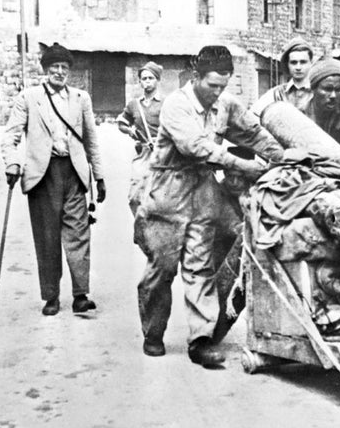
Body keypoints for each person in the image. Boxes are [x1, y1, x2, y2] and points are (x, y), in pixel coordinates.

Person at [134, 45, 284, 366]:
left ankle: (200, 340)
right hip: (168, 191)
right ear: (196, 76)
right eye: (212, 85)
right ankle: (153, 332)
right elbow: (196, 146)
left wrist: (285, 157)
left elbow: (254, 133)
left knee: (199, 264)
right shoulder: (176, 105)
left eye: (223, 86)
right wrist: (245, 167)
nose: (217, 93)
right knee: (161, 269)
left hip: (202, 189)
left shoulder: (225, 104)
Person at [1, 42, 106, 316]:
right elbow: (10, 136)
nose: (59, 72)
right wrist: (12, 163)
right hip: (42, 176)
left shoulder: (81, 98)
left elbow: (91, 140)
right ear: (45, 70)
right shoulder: (28, 97)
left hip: (73, 173)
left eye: (64, 67)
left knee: (78, 234)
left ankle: (81, 294)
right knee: (47, 239)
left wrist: (99, 175)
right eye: (54, 67)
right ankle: (51, 296)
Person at [117, 61, 164, 215]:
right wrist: (130, 131)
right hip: (143, 153)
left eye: (151, 78)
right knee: (135, 196)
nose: (147, 82)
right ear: (140, 82)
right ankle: (140, 228)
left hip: (163, 154)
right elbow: (122, 123)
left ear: (157, 80)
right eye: (144, 79)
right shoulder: (134, 105)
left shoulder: (166, 103)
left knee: (161, 197)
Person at [249, 36, 314, 118]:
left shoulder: (318, 92)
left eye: (303, 62)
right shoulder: (277, 94)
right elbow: (252, 117)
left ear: (311, 63)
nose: (298, 67)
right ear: (287, 64)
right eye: (293, 62)